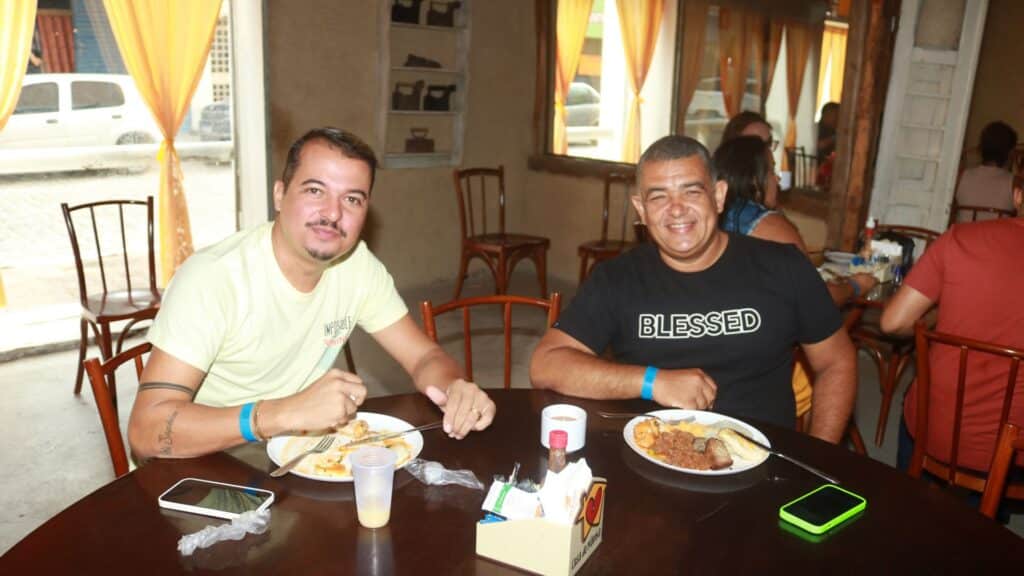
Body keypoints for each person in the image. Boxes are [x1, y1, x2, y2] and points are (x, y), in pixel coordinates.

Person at [128, 127, 495, 460]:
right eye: (315, 190)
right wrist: (280, 413)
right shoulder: (212, 278)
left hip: (295, 455)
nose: (332, 213)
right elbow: (147, 430)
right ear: (279, 194)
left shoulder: (357, 266)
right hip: (202, 463)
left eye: (352, 200)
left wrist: (455, 389)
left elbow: (424, 357)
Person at [530, 135, 857, 443]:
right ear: (641, 210)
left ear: (719, 196)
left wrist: (819, 456)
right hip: (652, 454)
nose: (676, 209)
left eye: (691, 192)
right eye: (659, 196)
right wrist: (652, 381)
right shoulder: (617, 278)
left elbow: (836, 361)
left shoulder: (783, 266)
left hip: (763, 461)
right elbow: (547, 364)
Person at [880, 186, 1024, 475]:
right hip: (1015, 455)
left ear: (1017, 195)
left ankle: (906, 492)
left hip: (939, 433)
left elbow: (892, 323)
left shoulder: (961, 238)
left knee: (914, 398)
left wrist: (938, 314)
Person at [954, 121, 1018, 221]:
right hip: (996, 232)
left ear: (981, 148)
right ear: (1010, 152)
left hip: (964, 231)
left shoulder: (960, 176)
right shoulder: (1015, 183)